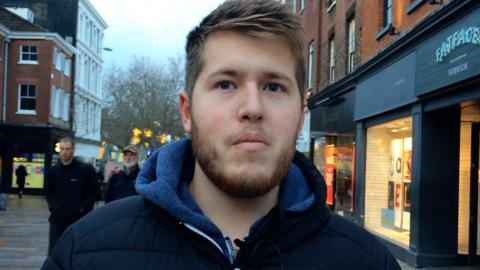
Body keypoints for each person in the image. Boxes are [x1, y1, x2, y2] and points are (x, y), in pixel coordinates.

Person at [42, 1, 400, 269]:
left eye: (274, 86)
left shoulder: (368, 262)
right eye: (226, 83)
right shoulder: (83, 253)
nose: (252, 107)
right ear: (187, 112)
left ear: (300, 113)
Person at [44, 137, 97, 255]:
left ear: (73, 150)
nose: (64, 152)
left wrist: (83, 209)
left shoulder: (85, 170)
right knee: (54, 251)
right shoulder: (53, 171)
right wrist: (53, 207)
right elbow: (48, 192)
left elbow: (93, 192)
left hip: (78, 219)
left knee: (76, 250)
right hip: (57, 219)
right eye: (62, 149)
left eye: (67, 149)